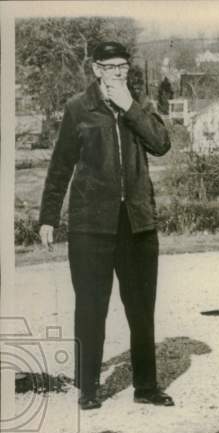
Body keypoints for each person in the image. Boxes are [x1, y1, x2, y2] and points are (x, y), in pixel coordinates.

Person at [38, 41, 174, 410]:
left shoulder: (139, 105)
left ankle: (146, 386)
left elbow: (162, 144)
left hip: (137, 224)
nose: (119, 73)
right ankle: (88, 388)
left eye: (123, 67)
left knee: (141, 307)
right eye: (111, 67)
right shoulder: (78, 108)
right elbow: (61, 166)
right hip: (90, 227)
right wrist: (48, 217)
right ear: (96, 69)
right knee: (90, 307)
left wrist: (130, 106)